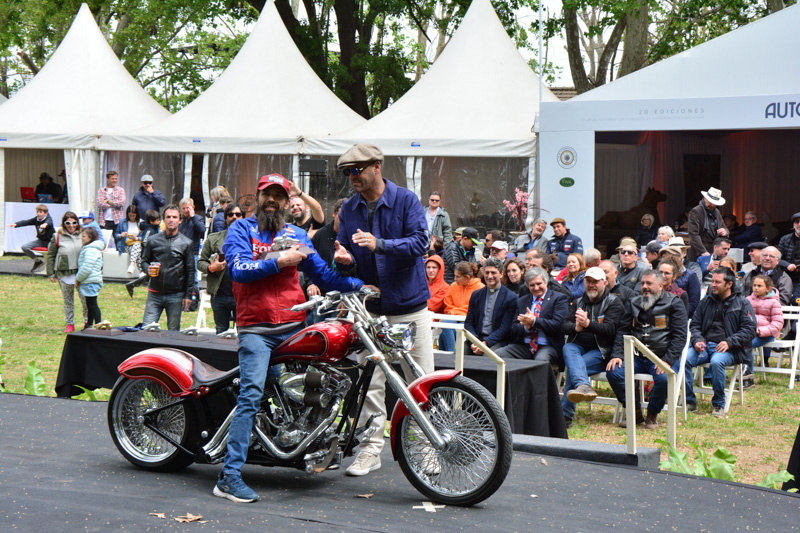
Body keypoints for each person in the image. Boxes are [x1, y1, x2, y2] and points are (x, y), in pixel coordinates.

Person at [215, 174, 364, 503]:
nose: (273, 200)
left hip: (293, 325)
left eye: (279, 196)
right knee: (251, 396)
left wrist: (355, 280)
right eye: (267, 194)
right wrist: (278, 261)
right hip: (257, 328)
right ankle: (229, 476)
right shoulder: (241, 229)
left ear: (286, 202)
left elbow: (321, 274)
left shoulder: (296, 234)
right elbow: (238, 269)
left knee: (305, 384)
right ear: (258, 197)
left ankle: (299, 441)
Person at [331, 143, 434, 478]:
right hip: (370, 310)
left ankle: (427, 448)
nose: (352, 177)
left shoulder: (405, 199)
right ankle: (369, 451)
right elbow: (348, 254)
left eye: (356, 170)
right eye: (348, 172)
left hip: (409, 307)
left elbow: (421, 243)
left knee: (420, 382)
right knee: (369, 384)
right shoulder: (348, 208)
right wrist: (345, 261)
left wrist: (381, 244)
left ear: (377, 166)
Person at [606, 270, 688, 429]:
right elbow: (622, 331)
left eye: (649, 283)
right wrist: (617, 354)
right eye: (642, 283)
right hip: (636, 356)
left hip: (662, 356)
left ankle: (652, 413)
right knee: (614, 372)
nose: (645, 287)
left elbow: (680, 337)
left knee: (663, 378)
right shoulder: (633, 302)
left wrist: (667, 360)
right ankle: (634, 411)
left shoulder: (674, 303)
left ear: (661, 285)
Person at [684, 268, 756, 417]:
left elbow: (749, 330)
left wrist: (729, 342)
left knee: (717, 362)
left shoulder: (742, 303)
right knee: (684, 360)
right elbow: (695, 325)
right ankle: (689, 401)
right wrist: (697, 340)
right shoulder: (706, 301)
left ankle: (718, 404)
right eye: (712, 281)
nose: (713, 285)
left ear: (729, 284)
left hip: (730, 349)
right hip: (704, 346)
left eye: (717, 282)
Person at [561, 267, 626, 427]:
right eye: (588, 281)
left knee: (575, 366)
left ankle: (565, 416)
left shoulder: (614, 302)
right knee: (568, 348)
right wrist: (576, 328)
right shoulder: (578, 302)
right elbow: (564, 325)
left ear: (604, 283)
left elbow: (610, 330)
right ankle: (583, 386)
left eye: (595, 281)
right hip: (578, 347)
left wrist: (588, 324)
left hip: (602, 351)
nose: (591, 285)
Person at [495, 267, 569, 369]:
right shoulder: (522, 301)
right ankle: (509, 384)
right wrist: (526, 327)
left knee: (540, 360)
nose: (536, 287)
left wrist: (534, 321)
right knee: (498, 354)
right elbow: (512, 329)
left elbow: (558, 325)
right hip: (524, 346)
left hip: (548, 346)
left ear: (546, 282)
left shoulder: (558, 299)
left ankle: (539, 385)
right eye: (532, 285)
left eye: (539, 284)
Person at [141, 205, 196, 331]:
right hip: (154, 293)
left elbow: (190, 271)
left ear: (180, 220)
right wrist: (147, 269)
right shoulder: (152, 240)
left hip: (175, 295)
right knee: (146, 330)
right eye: (168, 217)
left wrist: (188, 295)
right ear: (163, 220)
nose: (171, 220)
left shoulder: (186, 243)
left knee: (173, 332)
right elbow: (144, 261)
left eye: (174, 217)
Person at [198, 203, 243, 334]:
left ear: (243, 218)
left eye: (238, 214)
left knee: (242, 333)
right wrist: (212, 267)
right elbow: (200, 263)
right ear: (225, 218)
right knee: (221, 333)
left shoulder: (250, 239)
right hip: (219, 294)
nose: (234, 217)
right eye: (230, 214)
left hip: (241, 295)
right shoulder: (214, 239)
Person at [463, 257, 518, 355]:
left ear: (501, 274)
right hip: (476, 338)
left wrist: (485, 343)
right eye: (487, 272)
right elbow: (469, 323)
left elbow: (504, 328)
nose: (489, 276)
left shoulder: (510, 298)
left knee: (488, 357)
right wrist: (475, 341)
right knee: (459, 354)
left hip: (497, 341)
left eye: (493, 273)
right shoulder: (476, 295)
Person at [45, 212, 87, 332]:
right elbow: (51, 255)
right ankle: (70, 323)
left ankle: (87, 322)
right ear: (64, 224)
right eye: (68, 223)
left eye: (74, 223)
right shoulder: (57, 236)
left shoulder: (83, 235)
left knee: (85, 299)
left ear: (77, 223)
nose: (71, 225)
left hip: (81, 272)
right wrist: (50, 273)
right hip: (64, 273)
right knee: (68, 300)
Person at [745, 275, 784, 388]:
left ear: (768, 288)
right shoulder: (747, 300)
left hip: (767, 334)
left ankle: (748, 377)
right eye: (754, 285)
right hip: (749, 332)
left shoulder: (774, 303)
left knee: (747, 344)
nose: (756, 288)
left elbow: (777, 324)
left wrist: (760, 331)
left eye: (759, 286)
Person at [439, 262, 484, 352]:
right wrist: (458, 312)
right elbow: (448, 306)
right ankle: (451, 354)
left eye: (458, 277)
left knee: (444, 333)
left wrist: (456, 311)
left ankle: (449, 356)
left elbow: (474, 310)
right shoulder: (453, 286)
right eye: (455, 276)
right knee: (446, 324)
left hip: (470, 321)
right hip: (453, 318)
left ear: (467, 277)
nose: (455, 279)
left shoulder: (480, 288)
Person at [7, 204, 54, 272]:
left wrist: (45, 224)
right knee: (24, 247)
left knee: (51, 250)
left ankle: (51, 268)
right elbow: (27, 222)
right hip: (41, 241)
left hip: (51, 241)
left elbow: (49, 222)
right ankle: (37, 261)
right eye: (37, 212)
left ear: (45, 213)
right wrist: (16, 224)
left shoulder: (48, 218)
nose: (38, 214)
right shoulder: (36, 219)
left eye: (41, 212)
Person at [125, 210, 161, 297]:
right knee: (153, 274)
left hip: (150, 255)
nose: (159, 222)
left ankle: (132, 285)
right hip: (148, 256)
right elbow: (145, 242)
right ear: (151, 221)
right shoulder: (150, 230)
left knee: (150, 274)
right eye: (157, 220)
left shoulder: (154, 228)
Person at [687, 187, 728, 262]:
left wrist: (725, 231)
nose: (712, 205)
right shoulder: (696, 211)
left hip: (714, 253)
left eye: (714, 203)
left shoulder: (717, 212)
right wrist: (703, 252)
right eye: (710, 202)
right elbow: (693, 234)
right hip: (698, 254)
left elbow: (723, 227)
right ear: (705, 198)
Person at [76, 227, 104, 329]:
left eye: (84, 236)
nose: (82, 238)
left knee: (92, 305)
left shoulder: (90, 250)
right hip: (90, 281)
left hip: (90, 281)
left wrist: (78, 278)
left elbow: (87, 267)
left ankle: (99, 326)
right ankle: (89, 325)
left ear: (90, 237)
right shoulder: (91, 248)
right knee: (90, 305)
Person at [178, 198, 206, 281]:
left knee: (193, 278)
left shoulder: (198, 218)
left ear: (193, 207)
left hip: (192, 252)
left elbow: (202, 230)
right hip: (179, 251)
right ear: (180, 209)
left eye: (188, 208)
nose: (186, 210)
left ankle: (194, 294)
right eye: (184, 208)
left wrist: (193, 217)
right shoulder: (179, 219)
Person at [777, 212, 800, 305]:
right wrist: (788, 265)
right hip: (787, 276)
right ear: (793, 225)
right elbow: (777, 259)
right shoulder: (785, 239)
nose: (799, 224)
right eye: (797, 222)